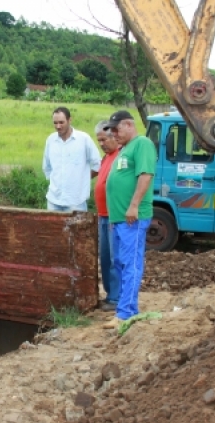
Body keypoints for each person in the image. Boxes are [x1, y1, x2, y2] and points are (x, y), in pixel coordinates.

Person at [104, 110, 156, 324]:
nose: (114, 134)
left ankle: (125, 313)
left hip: (132, 219)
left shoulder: (141, 144)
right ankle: (126, 308)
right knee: (120, 263)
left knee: (130, 263)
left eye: (117, 129)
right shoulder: (124, 149)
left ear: (128, 125)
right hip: (119, 220)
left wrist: (134, 205)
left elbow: (145, 175)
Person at [42, 106, 101, 212]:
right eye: (55, 123)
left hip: (76, 201)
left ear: (70, 120)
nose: (58, 126)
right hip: (53, 200)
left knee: (77, 229)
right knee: (52, 229)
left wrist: (83, 179)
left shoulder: (84, 139)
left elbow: (98, 164)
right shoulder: (50, 140)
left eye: (61, 122)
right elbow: (47, 166)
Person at [94, 120, 121, 312]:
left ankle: (116, 297)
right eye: (99, 141)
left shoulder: (121, 157)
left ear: (113, 136)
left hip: (113, 215)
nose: (102, 144)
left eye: (104, 139)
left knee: (114, 258)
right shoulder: (106, 158)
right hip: (102, 214)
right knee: (104, 257)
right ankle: (109, 294)